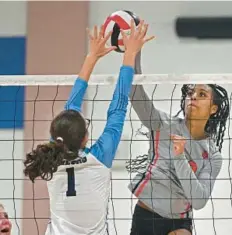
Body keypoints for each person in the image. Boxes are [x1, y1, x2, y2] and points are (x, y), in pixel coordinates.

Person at [23, 20, 154, 235]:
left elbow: (79, 110)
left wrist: (92, 57)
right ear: (85, 138)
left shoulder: (52, 159)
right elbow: (118, 107)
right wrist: (128, 55)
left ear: (55, 135)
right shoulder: (99, 159)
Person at [127, 52, 230, 235]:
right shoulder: (163, 124)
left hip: (180, 222)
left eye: (202, 94)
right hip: (147, 215)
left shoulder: (213, 156)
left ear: (213, 109)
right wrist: (133, 52)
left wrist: (179, 156)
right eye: (191, 93)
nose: (193, 97)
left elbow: (199, 201)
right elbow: (135, 93)